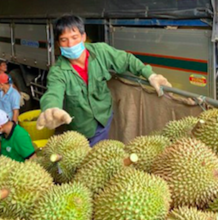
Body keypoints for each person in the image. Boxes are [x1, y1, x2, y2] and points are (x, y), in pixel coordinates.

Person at [36, 14, 171, 145]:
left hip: (104, 116)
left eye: (74, 37)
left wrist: (150, 75)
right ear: (58, 43)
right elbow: (54, 91)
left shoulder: (101, 51)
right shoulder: (58, 71)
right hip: (80, 127)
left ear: (83, 37)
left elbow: (127, 60)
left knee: (99, 155)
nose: (70, 44)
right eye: (64, 40)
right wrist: (51, 108)